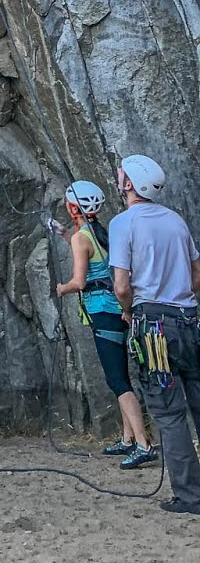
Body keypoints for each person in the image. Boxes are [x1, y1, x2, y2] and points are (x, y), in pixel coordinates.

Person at [108, 154, 200, 516]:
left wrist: (129, 310)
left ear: (129, 184)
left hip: (152, 328)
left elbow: (121, 285)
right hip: (188, 322)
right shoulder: (176, 221)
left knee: (170, 414)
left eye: (122, 175)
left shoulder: (122, 223)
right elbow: (196, 277)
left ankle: (191, 496)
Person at [52, 179, 156, 467]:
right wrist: (65, 235)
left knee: (117, 380)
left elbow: (80, 281)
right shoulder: (102, 233)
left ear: (73, 207)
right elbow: (92, 256)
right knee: (121, 372)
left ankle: (144, 444)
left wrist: (62, 288)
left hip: (103, 313)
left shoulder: (82, 238)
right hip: (120, 312)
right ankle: (127, 439)